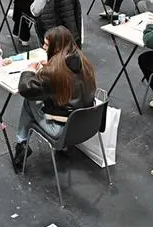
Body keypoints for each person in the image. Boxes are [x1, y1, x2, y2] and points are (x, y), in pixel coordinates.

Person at [12, 26, 96, 170]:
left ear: (56, 47)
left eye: (46, 45)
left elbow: (25, 89)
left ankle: (21, 144)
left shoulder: (53, 73)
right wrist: (51, 65)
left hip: (61, 130)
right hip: (86, 124)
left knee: (29, 100)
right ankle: (22, 144)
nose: (43, 48)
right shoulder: (83, 61)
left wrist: (29, 71)